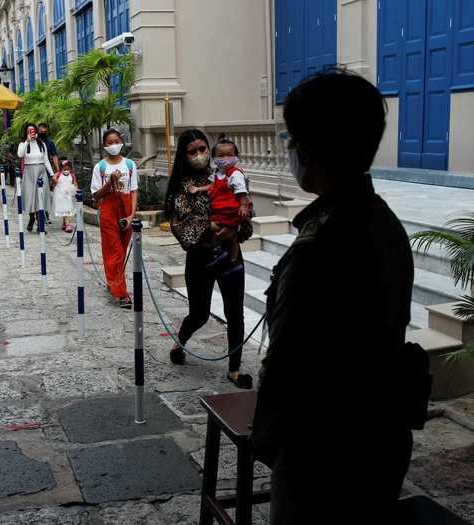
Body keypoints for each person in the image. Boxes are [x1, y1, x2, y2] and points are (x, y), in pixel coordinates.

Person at [251, 70, 415, 525]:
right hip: (378, 434)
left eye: (291, 138)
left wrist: (266, 439)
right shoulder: (383, 221)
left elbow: (287, 360)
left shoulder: (323, 243)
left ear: (307, 149)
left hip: (323, 448)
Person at [164, 129, 252, 388]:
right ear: (184, 154)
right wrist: (212, 227)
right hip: (201, 258)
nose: (200, 155)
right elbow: (182, 226)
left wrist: (236, 227)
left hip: (230, 254)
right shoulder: (181, 187)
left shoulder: (229, 175)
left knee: (235, 313)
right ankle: (180, 343)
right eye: (193, 151)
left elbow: (246, 211)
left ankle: (234, 369)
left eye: (203, 149)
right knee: (199, 314)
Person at [90, 128, 138, 309]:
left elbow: (134, 191)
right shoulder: (100, 167)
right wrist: (110, 182)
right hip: (108, 209)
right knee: (114, 251)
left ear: (121, 142)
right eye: (109, 142)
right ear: (104, 145)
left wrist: (131, 216)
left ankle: (113, 282)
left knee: (122, 250)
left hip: (126, 208)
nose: (113, 145)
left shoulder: (130, 165)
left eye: (116, 141)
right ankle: (121, 293)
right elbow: (95, 196)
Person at [188, 138, 251, 270]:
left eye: (230, 155)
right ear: (214, 157)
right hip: (219, 211)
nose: (226, 159)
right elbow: (212, 185)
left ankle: (231, 257)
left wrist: (244, 206)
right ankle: (222, 254)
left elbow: (242, 192)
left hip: (230, 211)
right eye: (221, 156)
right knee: (221, 235)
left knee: (230, 237)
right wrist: (198, 189)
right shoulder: (217, 173)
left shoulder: (235, 174)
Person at [17, 123, 55, 232]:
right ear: (26, 132)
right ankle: (31, 218)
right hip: (29, 172)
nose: (31, 133)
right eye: (29, 131)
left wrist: (52, 175)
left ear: (36, 132)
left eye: (33, 130)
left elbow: (46, 161)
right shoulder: (23, 144)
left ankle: (40, 224)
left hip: (41, 171)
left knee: (41, 197)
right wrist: (27, 141)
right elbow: (20, 154)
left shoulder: (42, 144)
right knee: (30, 197)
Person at [38, 123, 59, 223]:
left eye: (44, 129)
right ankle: (37, 215)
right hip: (36, 170)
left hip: (46, 171)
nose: (42, 131)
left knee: (45, 193)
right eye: (40, 129)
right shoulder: (34, 142)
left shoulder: (50, 142)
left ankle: (45, 214)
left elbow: (54, 156)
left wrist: (57, 171)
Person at [52, 158, 77, 232]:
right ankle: (68, 224)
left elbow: (75, 183)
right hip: (60, 195)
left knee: (68, 208)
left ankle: (64, 223)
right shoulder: (58, 174)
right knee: (65, 208)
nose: (66, 170)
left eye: (68, 169)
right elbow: (54, 178)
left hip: (69, 194)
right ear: (61, 168)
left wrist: (76, 191)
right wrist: (55, 181)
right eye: (64, 169)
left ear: (70, 168)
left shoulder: (72, 175)